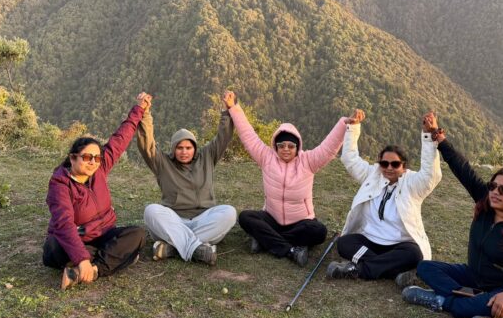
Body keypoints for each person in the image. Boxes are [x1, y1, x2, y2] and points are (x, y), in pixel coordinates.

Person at [402, 128, 503, 318]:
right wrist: (440, 140)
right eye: (493, 186)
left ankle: (441, 301)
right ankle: (479, 307)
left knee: (491, 304)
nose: (494, 192)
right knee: (425, 267)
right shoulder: (486, 202)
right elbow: (463, 169)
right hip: (474, 277)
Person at [224, 90, 350, 267]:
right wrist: (233, 108)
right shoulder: (266, 158)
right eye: (281, 145)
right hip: (272, 219)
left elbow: (328, 148)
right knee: (246, 217)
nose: (285, 149)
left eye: (291, 146)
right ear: (275, 146)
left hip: (300, 223)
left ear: (297, 147)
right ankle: (291, 250)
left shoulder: (308, 161)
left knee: (319, 231)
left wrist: (344, 124)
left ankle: (265, 240)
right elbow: (248, 136)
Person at [43, 93, 149, 289]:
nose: (93, 162)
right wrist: (82, 258)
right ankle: (110, 259)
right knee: (55, 246)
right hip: (76, 239)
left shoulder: (99, 169)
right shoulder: (60, 184)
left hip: (103, 235)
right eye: (86, 157)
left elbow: (120, 138)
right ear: (73, 158)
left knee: (138, 234)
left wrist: (139, 109)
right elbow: (64, 223)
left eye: (97, 158)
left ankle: (91, 270)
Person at [326, 110, 442, 287]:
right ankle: (393, 270)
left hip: (399, 245)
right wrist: (353, 127)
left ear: (404, 166)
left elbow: (430, 175)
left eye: (395, 164)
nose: (389, 168)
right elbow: (350, 159)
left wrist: (428, 136)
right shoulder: (372, 175)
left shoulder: (412, 183)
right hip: (370, 241)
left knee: (414, 254)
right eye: (384, 163)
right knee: (344, 243)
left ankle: (358, 270)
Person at [137, 93, 236, 266]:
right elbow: (147, 145)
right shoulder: (162, 163)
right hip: (174, 219)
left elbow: (223, 137)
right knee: (151, 211)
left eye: (188, 147)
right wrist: (145, 114)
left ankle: (172, 247)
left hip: (203, 219)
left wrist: (227, 111)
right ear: (173, 149)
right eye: (180, 148)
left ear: (194, 148)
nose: (184, 152)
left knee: (229, 212)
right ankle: (198, 248)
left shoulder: (207, 157)